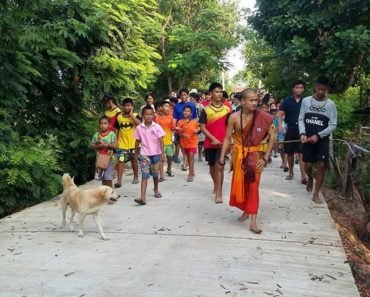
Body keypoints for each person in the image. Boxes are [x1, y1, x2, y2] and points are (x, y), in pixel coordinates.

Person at [219, 88, 275, 234]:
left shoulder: (262, 116)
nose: (255, 103)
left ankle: (253, 221)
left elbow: (272, 136)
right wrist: (221, 157)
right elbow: (227, 138)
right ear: (242, 101)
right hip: (239, 156)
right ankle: (246, 210)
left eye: (256, 100)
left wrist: (265, 157)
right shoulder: (234, 117)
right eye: (251, 100)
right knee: (242, 185)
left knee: (254, 187)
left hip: (255, 156)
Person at [299, 77, 337, 204]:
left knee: (321, 164)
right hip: (308, 138)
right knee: (308, 165)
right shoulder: (306, 101)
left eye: (324, 90)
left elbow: (333, 124)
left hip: (322, 140)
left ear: (327, 90)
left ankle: (316, 194)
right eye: (319, 88)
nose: (321, 92)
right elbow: (301, 119)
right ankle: (310, 178)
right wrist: (303, 134)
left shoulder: (331, 104)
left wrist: (319, 135)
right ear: (315, 87)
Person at [199, 82, 231, 203]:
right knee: (212, 168)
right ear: (211, 94)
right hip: (210, 143)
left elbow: (230, 126)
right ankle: (216, 184)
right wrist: (212, 138)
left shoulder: (227, 109)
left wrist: (229, 141)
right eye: (216, 92)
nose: (219, 94)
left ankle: (219, 193)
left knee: (220, 167)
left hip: (223, 143)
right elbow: (202, 127)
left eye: (220, 91)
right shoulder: (205, 110)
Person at [133, 106, 166, 205]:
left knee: (155, 174)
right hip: (144, 154)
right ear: (143, 115)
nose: (149, 116)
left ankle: (156, 189)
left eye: (151, 114)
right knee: (145, 175)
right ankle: (143, 198)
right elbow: (137, 141)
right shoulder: (139, 128)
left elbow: (161, 140)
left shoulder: (157, 127)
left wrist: (162, 154)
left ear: (153, 115)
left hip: (156, 154)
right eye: (146, 114)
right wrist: (135, 153)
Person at [278, 80, 308, 184]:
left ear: (303, 89)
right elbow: (280, 113)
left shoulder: (307, 101)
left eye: (301, 87)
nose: (299, 89)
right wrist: (280, 125)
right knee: (289, 153)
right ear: (293, 89)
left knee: (301, 153)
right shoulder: (287, 100)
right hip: (290, 129)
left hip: (303, 131)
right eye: (297, 87)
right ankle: (290, 172)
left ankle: (304, 175)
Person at [114, 98, 141, 187]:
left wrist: (131, 116)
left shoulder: (136, 115)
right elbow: (117, 128)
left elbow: (140, 124)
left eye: (128, 105)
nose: (126, 107)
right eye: (125, 106)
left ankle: (136, 177)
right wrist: (116, 140)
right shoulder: (118, 116)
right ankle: (119, 180)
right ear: (122, 106)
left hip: (134, 144)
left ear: (132, 106)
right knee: (121, 161)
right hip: (122, 144)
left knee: (134, 160)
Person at [91, 116, 117, 187]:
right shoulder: (96, 135)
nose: (103, 125)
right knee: (103, 178)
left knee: (108, 178)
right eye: (101, 124)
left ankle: (110, 192)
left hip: (109, 159)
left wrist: (107, 145)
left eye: (105, 123)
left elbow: (115, 146)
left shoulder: (112, 134)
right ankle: (105, 193)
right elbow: (91, 145)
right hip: (100, 159)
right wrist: (98, 146)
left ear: (109, 125)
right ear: (99, 124)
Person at [173, 88, 197, 166]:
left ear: (188, 95)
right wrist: (174, 127)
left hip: (190, 129)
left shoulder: (192, 105)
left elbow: (194, 118)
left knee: (190, 146)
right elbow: (174, 118)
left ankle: (188, 162)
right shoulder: (177, 106)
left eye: (185, 95)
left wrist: (195, 128)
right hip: (180, 128)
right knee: (182, 145)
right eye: (182, 95)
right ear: (180, 96)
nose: (183, 96)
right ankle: (185, 160)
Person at [177, 106, 200, 182]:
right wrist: (182, 134)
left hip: (193, 142)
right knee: (188, 157)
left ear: (191, 113)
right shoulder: (180, 122)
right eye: (185, 111)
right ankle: (192, 170)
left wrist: (197, 130)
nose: (186, 112)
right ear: (182, 112)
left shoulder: (194, 122)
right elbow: (178, 132)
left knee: (191, 157)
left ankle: (190, 174)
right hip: (184, 143)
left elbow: (198, 129)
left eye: (188, 111)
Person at [155, 100, 176, 180]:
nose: (168, 108)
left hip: (169, 140)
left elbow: (173, 128)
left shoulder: (170, 118)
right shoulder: (157, 119)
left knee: (170, 157)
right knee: (161, 158)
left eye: (169, 107)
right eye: (166, 106)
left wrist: (174, 133)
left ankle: (169, 169)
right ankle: (161, 175)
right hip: (160, 142)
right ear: (161, 107)